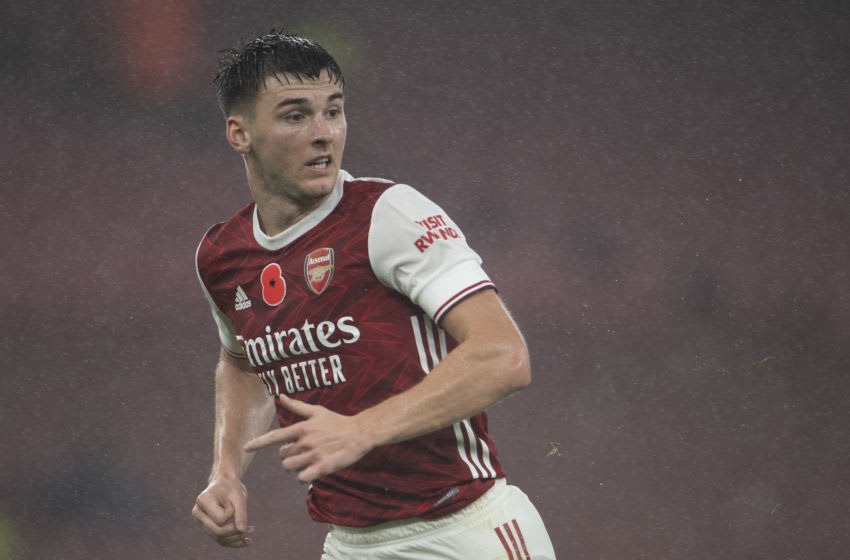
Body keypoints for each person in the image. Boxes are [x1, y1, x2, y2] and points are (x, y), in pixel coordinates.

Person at [191, 29, 556, 559]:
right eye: (296, 116)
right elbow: (244, 364)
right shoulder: (222, 259)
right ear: (239, 133)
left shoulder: (388, 215)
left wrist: (362, 430)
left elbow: (504, 356)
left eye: (333, 111)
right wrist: (226, 472)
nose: (324, 134)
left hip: (466, 532)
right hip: (350, 546)